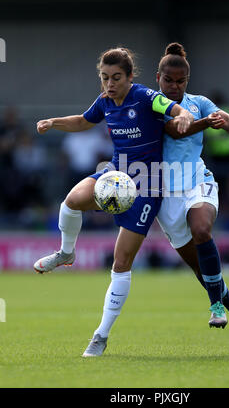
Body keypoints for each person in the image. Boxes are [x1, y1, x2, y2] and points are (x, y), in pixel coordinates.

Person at [33, 46, 214, 357]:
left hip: (148, 183)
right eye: (104, 78)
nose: (109, 84)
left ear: (130, 77)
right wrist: (54, 121)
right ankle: (66, 253)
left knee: (120, 263)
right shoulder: (105, 101)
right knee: (71, 202)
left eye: (116, 77)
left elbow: (172, 108)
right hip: (117, 174)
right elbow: (82, 121)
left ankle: (100, 336)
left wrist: (184, 115)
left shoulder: (144, 97)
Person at [155, 42, 229, 337]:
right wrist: (206, 123)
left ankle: (216, 307)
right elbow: (175, 129)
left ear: (187, 81)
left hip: (197, 180)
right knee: (200, 268)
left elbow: (225, 118)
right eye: (168, 80)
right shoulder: (152, 104)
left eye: (180, 81)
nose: (173, 86)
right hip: (165, 193)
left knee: (202, 231)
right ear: (158, 78)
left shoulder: (199, 102)